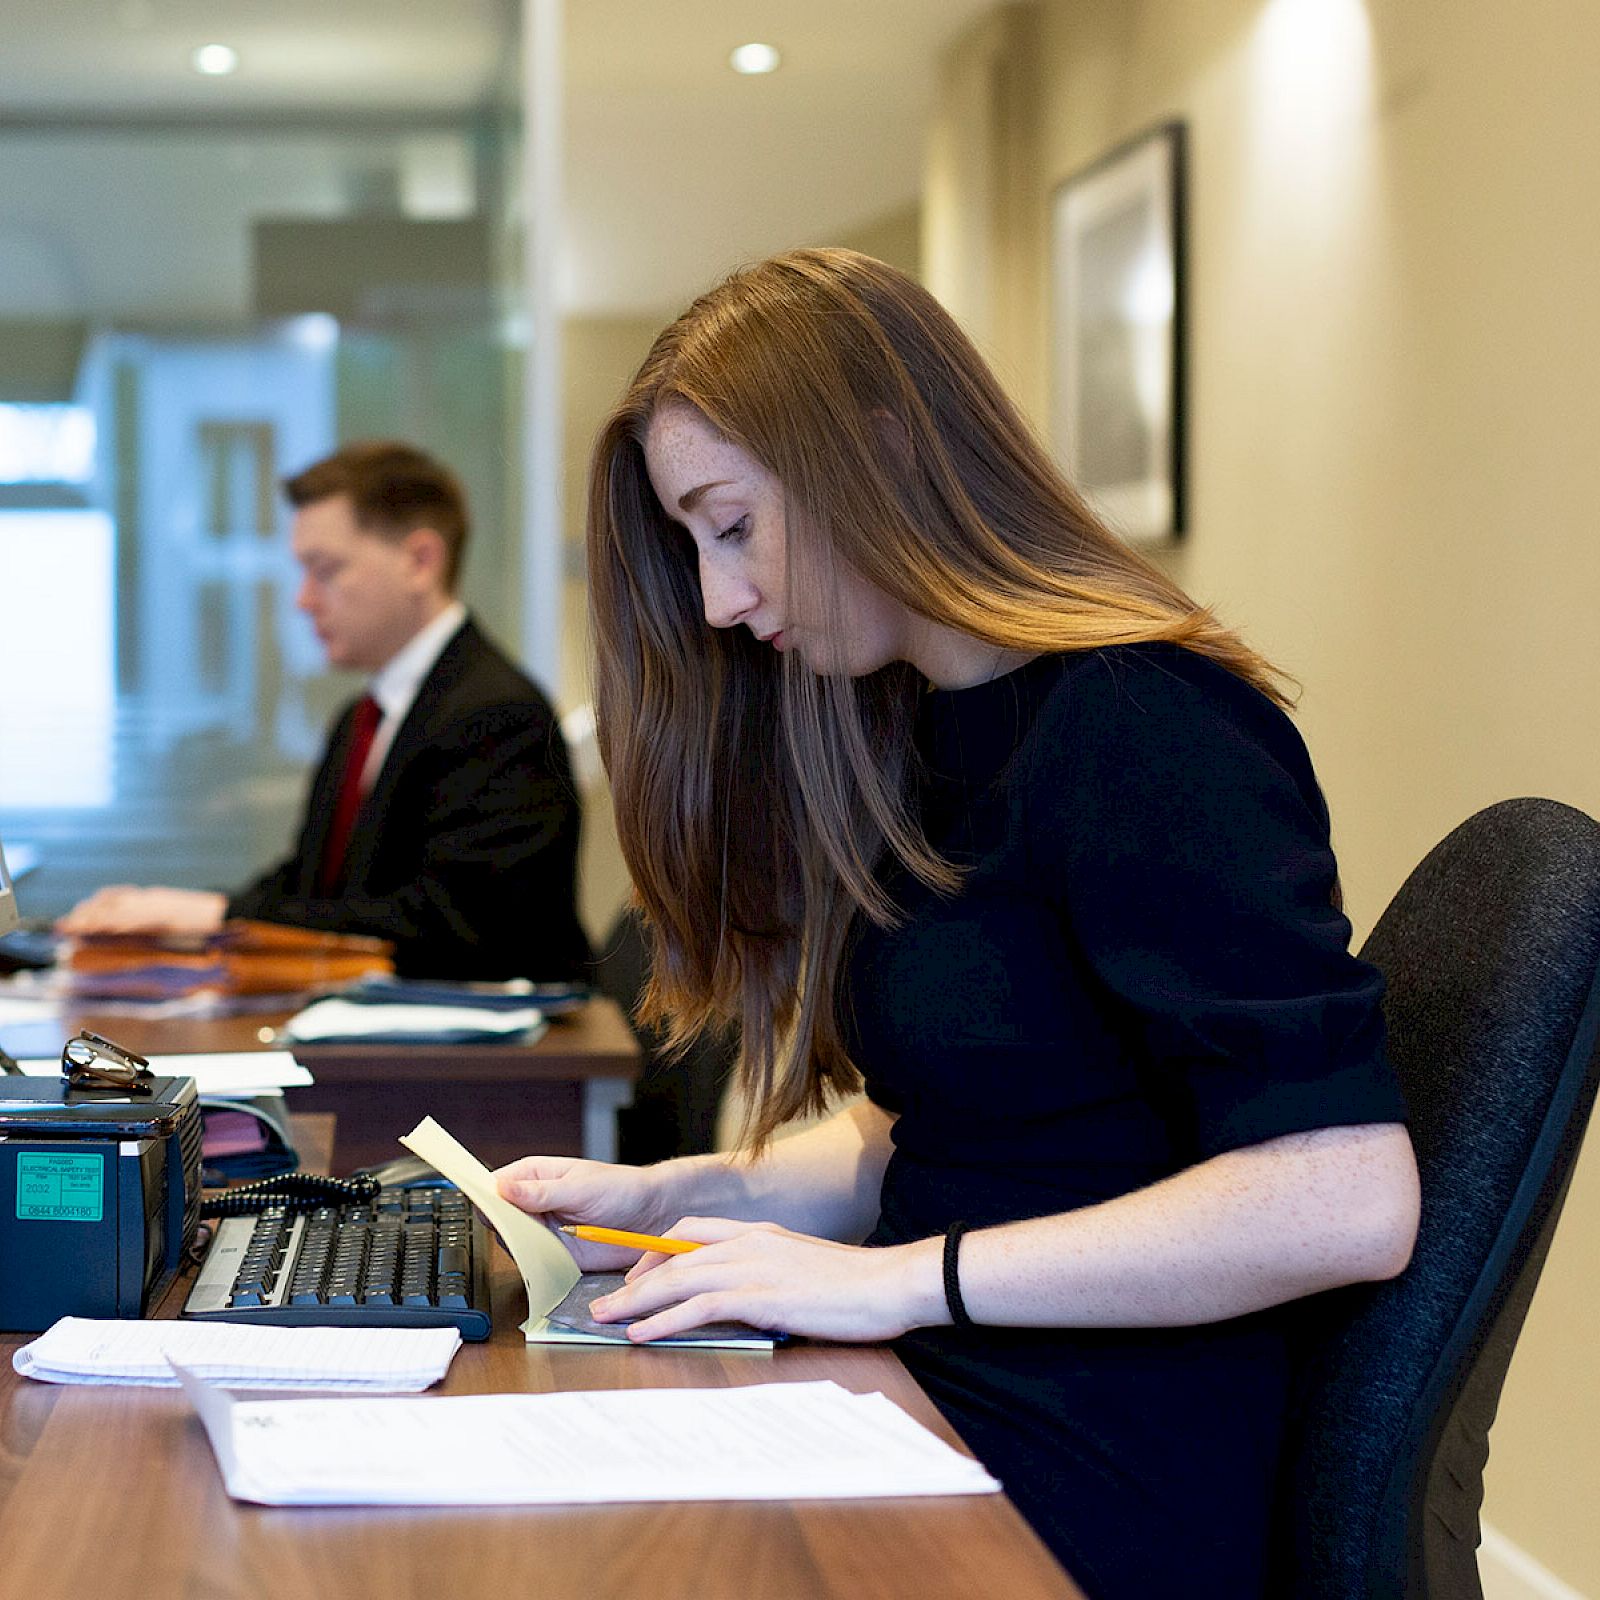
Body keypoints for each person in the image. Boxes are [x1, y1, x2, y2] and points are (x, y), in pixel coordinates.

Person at [493, 250, 1419, 1598]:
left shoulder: (1144, 722)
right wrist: (684, 1196)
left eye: (731, 525)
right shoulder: (917, 728)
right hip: (946, 1385)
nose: (717, 601)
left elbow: (1344, 1199)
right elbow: (954, 1124)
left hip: (1094, 1459)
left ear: (875, 453)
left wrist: (892, 1283)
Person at [60, 440, 591, 981]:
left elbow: (453, 930)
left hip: (489, 1060)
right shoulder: (362, 719)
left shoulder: (500, 716)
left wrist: (215, 916)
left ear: (419, 561)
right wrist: (178, 917)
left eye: (325, 570)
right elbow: (313, 888)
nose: (303, 599)